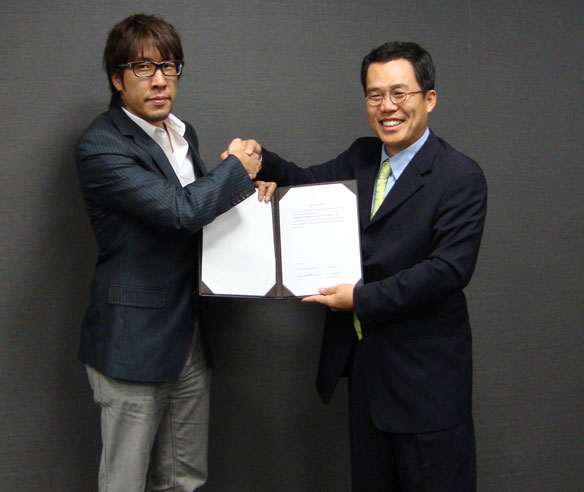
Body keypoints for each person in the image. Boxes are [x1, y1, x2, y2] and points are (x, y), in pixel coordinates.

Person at [243, 42, 487, 491]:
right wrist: (261, 161)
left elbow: (447, 271)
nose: (387, 107)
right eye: (375, 95)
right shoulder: (361, 156)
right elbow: (306, 182)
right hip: (367, 378)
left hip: (427, 386)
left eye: (400, 93)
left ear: (429, 98)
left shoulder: (460, 176)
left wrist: (359, 299)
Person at [76, 13, 265, 492]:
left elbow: (201, 211)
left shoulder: (183, 134)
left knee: (185, 480)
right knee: (124, 483)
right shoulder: (101, 145)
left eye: (169, 66)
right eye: (143, 68)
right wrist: (236, 172)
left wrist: (249, 190)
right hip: (132, 345)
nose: (160, 80)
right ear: (117, 79)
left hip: (190, 338)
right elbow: (180, 210)